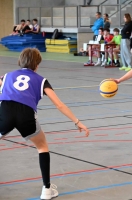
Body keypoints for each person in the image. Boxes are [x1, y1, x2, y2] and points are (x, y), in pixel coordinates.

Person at [0, 48, 89, 199]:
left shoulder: (7, 76)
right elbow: (59, 105)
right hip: (25, 115)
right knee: (42, 147)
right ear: (37, 64)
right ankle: (47, 190)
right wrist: (77, 121)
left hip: (5, 111)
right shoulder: (41, 80)